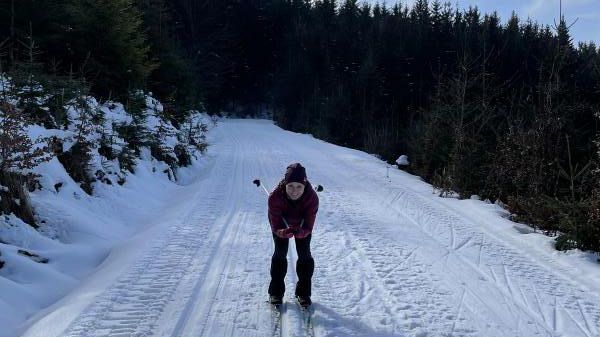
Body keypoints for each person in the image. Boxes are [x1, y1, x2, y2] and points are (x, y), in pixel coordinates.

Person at [268, 163, 319, 307]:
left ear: (304, 185)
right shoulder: (274, 198)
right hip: (282, 223)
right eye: (290, 186)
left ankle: (303, 293)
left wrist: (301, 231)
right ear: (285, 184)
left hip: (302, 224)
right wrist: (282, 232)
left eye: (299, 187)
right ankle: (276, 292)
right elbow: (276, 225)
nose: (294, 191)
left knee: (304, 254)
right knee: (280, 252)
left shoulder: (312, 199)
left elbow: (308, 226)